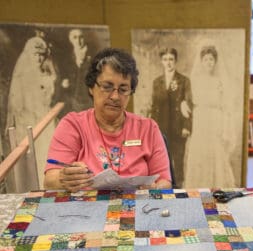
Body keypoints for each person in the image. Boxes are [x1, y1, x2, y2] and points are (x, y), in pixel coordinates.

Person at [44, 48, 172, 192]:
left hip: (137, 208)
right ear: (91, 87)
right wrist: (64, 177)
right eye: (107, 87)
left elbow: (164, 181)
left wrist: (155, 188)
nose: (115, 97)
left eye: (123, 89)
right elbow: (50, 180)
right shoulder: (73, 125)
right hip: (86, 211)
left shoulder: (148, 128)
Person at [6, 31, 57, 188]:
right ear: (29, 55)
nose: (39, 59)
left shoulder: (48, 74)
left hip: (47, 122)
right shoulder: (22, 78)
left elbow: (51, 99)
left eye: (42, 55)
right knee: (33, 162)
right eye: (35, 55)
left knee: (48, 159)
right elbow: (18, 107)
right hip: (29, 123)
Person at [184, 45, 236, 188]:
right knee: (200, 150)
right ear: (201, 61)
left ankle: (216, 185)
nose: (209, 62)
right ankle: (198, 186)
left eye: (211, 59)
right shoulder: (194, 81)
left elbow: (225, 105)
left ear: (215, 62)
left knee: (215, 150)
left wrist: (225, 127)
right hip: (200, 119)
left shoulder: (219, 81)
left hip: (215, 119)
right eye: (206, 59)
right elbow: (188, 100)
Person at [149, 47, 193, 188]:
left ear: (176, 61)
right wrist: (152, 128)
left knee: (178, 161)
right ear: (162, 62)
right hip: (161, 127)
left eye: (171, 59)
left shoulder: (184, 81)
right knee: (162, 161)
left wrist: (186, 126)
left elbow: (188, 105)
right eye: (165, 59)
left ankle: (179, 190)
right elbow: (154, 106)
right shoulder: (157, 82)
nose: (168, 63)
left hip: (178, 127)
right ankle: (165, 190)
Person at [52, 28, 93, 119]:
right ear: (70, 40)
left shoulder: (92, 58)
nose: (78, 41)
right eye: (75, 37)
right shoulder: (66, 59)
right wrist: (63, 84)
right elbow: (59, 79)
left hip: (88, 102)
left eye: (80, 37)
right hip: (71, 101)